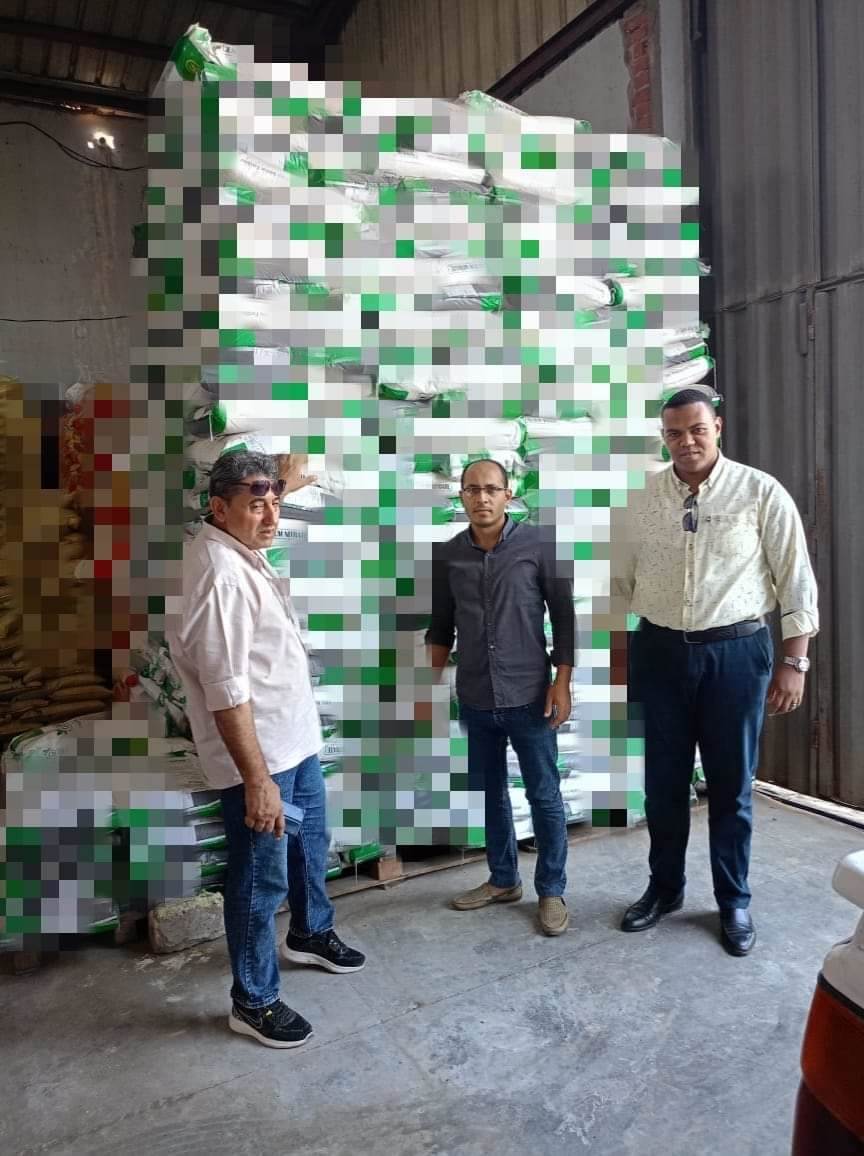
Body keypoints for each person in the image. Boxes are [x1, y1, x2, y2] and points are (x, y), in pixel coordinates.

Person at [167, 451, 365, 1049]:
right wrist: (257, 782)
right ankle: (252, 999)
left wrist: (284, 482)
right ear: (218, 507)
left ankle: (310, 932)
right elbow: (225, 690)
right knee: (260, 879)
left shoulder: (237, 544)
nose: (272, 516)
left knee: (310, 846)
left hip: (291, 740)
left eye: (275, 502)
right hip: (261, 759)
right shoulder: (220, 577)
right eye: (257, 506)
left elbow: (277, 483)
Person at [612, 386, 818, 956]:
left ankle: (733, 900)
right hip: (659, 653)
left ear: (718, 427)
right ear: (663, 437)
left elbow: (795, 578)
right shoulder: (642, 499)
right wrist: (622, 655)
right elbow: (619, 581)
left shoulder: (760, 492)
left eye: (697, 429)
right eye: (675, 433)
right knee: (663, 785)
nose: (687, 442)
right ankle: (665, 888)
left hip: (736, 654)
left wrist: (794, 661)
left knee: (731, 786)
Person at [425, 459, 576, 936]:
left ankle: (551, 889)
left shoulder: (540, 545)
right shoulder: (449, 555)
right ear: (461, 496)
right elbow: (440, 627)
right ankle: (503, 879)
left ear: (508, 495)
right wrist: (424, 690)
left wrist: (562, 682)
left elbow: (565, 619)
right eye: (472, 489)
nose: (482, 498)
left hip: (530, 695)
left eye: (491, 489)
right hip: (476, 696)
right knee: (490, 793)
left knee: (544, 794)